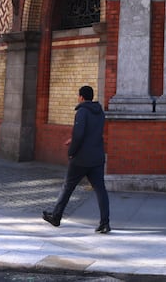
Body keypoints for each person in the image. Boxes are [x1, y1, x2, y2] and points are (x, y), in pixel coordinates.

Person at [42, 85, 111, 233]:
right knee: (100, 190)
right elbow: (91, 133)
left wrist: (71, 152)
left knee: (68, 187)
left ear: (81, 97)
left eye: (78, 96)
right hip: (97, 156)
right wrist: (73, 139)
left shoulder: (82, 111)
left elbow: (80, 135)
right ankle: (105, 223)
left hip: (81, 158)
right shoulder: (99, 112)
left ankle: (56, 216)